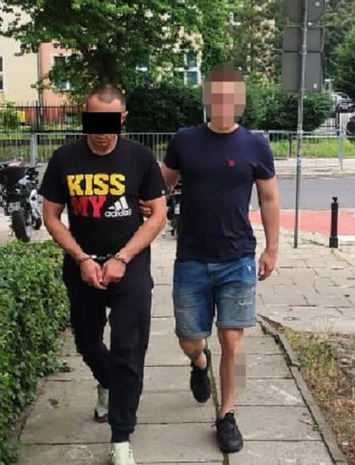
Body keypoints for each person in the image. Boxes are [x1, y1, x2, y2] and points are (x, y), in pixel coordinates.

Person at [146, 65, 280, 453]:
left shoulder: (255, 145)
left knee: (233, 339)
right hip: (191, 256)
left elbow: (269, 198)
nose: (224, 103)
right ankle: (199, 363)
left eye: (231, 97)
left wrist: (272, 248)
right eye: (217, 96)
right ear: (207, 99)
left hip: (238, 257)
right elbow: (163, 184)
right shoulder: (185, 140)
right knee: (189, 338)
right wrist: (145, 203)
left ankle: (228, 413)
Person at [39, 83, 167, 465]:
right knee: (86, 341)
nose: (100, 131)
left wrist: (122, 258)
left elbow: (158, 215)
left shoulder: (140, 158)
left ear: (123, 119)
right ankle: (109, 383)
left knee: (129, 349)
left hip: (129, 266)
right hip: (82, 266)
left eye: (109, 122)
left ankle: (121, 437)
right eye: (94, 121)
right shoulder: (64, 158)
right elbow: (51, 216)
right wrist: (81, 258)